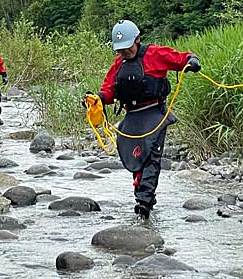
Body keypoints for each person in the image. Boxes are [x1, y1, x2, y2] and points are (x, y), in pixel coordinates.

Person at [85, 18, 200, 220]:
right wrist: (99, 99)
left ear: (138, 39)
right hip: (132, 116)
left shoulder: (156, 54)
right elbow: (109, 90)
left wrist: (192, 61)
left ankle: (144, 203)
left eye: (127, 48)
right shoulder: (118, 63)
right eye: (120, 50)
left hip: (155, 114)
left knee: (151, 158)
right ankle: (145, 198)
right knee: (136, 157)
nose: (124, 53)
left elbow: (182, 58)